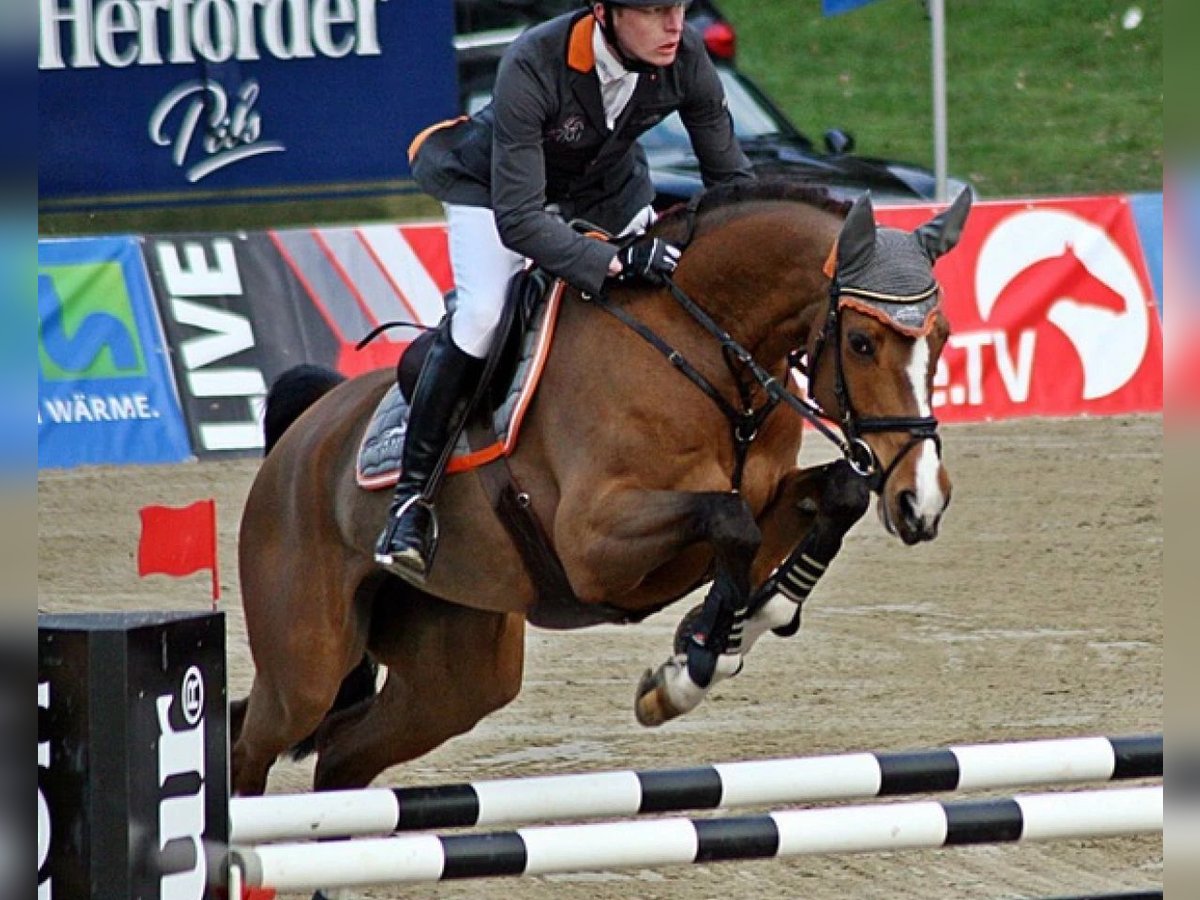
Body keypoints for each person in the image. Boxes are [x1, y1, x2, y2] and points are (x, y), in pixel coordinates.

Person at [376, 0, 755, 582]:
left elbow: (732, 182)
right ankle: (411, 503)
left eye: (679, 7)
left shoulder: (685, 56)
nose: (674, 25)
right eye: (654, 10)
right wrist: (614, 261)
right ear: (603, 12)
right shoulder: (535, 60)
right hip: (496, 193)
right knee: (481, 315)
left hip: (606, 193)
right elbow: (523, 220)